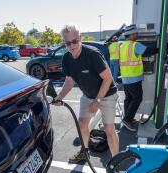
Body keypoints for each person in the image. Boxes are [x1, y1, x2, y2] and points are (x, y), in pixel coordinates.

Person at [54, 24, 119, 164]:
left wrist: (98, 100)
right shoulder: (66, 59)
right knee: (82, 124)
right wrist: (59, 97)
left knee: (109, 128)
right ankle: (84, 152)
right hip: (88, 95)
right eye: (68, 43)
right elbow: (69, 82)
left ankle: (116, 163)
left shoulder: (92, 54)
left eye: (75, 41)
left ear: (80, 38)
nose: (72, 46)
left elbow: (108, 78)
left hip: (107, 94)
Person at [119, 24, 147, 132]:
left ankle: (128, 118)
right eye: (135, 33)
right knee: (137, 98)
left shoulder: (122, 46)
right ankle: (127, 120)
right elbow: (148, 50)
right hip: (134, 78)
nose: (137, 34)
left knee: (129, 98)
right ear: (130, 35)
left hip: (126, 77)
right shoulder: (135, 45)